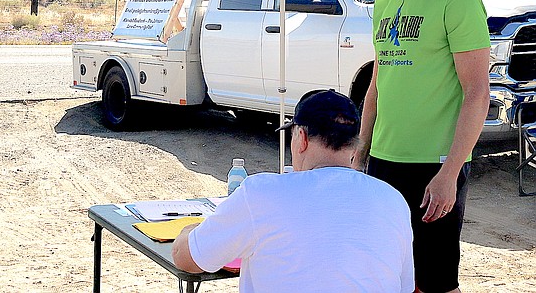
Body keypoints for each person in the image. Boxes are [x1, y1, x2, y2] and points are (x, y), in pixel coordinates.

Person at [354, 0, 491, 293]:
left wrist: (450, 173)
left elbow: (477, 93)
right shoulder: (385, 1)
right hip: (383, 161)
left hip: (434, 164)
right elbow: (378, 84)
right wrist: (362, 146)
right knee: (389, 274)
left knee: (436, 280)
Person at [172, 90, 415, 293]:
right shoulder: (392, 199)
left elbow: (187, 259)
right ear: (354, 142)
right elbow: (405, 286)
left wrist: (189, 230)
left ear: (301, 137)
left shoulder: (261, 193)